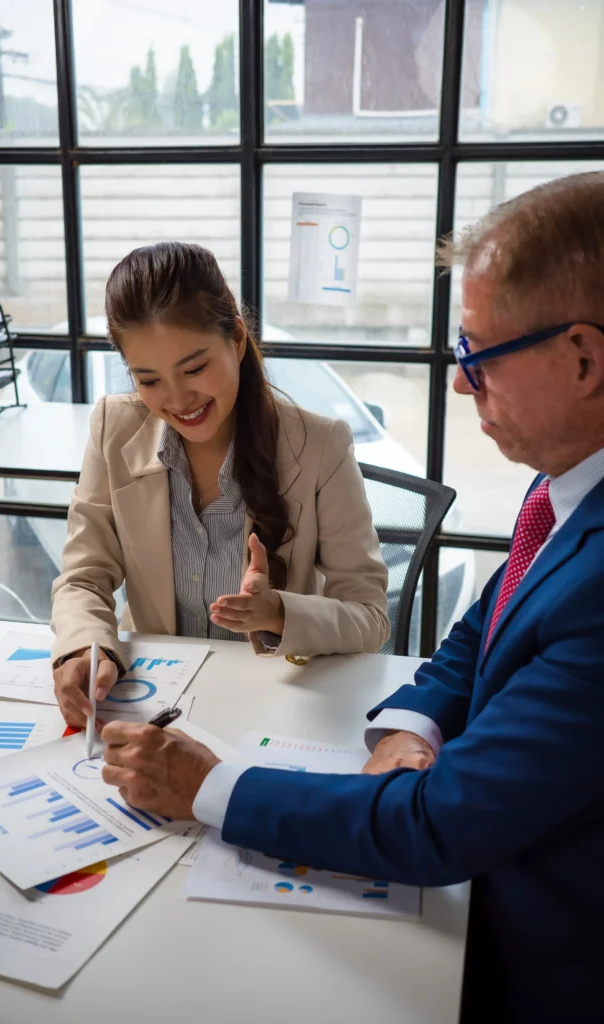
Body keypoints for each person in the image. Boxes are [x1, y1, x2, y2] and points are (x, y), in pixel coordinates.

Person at [99, 172, 604, 1023]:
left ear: (582, 358)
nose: (456, 383)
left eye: (474, 354)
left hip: (534, 958)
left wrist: (212, 787)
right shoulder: (561, 487)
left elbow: (439, 827)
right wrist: (408, 726)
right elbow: (476, 640)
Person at [51, 242, 389, 727]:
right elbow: (83, 578)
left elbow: (371, 618)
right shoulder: (114, 427)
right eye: (148, 380)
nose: (177, 399)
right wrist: (84, 648)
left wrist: (279, 614)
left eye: (194, 369)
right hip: (154, 702)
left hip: (276, 709)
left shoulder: (319, 445)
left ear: (236, 338)